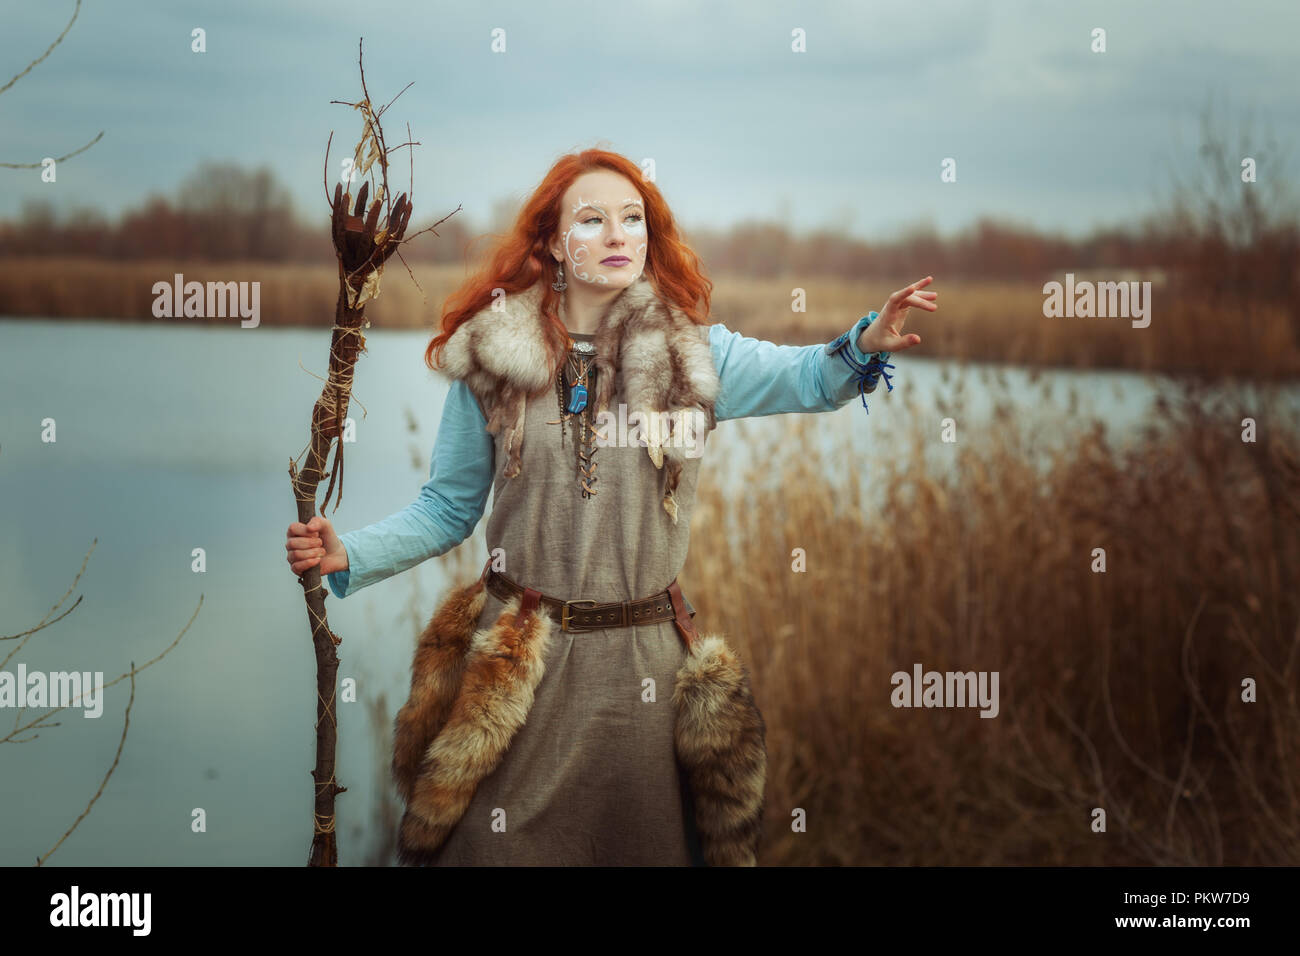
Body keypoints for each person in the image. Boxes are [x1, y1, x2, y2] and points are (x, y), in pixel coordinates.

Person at [285, 148, 937, 866]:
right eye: (592, 220)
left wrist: (866, 342)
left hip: (641, 677)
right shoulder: (496, 358)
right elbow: (447, 507)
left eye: (633, 220)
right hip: (517, 667)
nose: (618, 235)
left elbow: (811, 376)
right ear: (553, 244)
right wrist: (350, 552)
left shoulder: (695, 359)